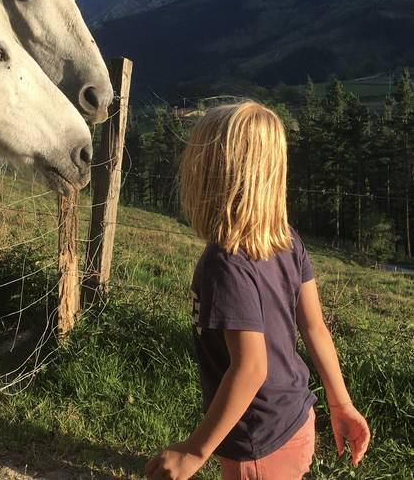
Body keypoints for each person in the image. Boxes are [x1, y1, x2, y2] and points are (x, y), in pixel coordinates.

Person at [145, 101, 370, 480]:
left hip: (256, 441)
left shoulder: (225, 261)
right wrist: (341, 403)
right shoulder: (286, 240)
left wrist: (194, 453)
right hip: (296, 418)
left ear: (214, 176)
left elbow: (250, 368)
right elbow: (316, 328)